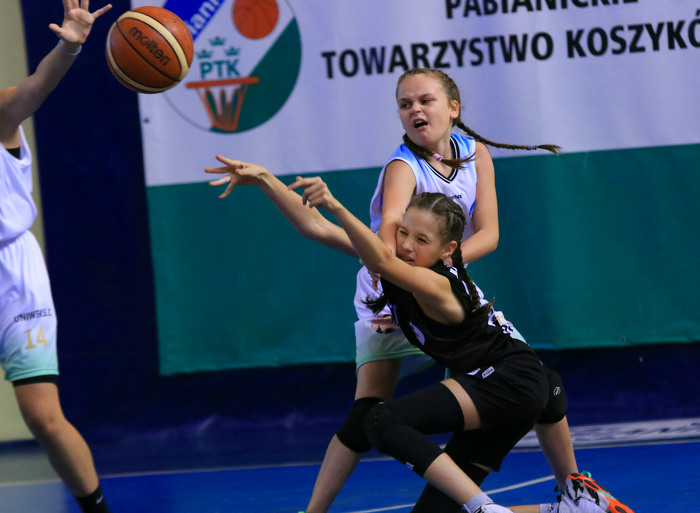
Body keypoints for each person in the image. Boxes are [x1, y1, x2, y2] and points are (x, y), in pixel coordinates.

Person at [205, 159, 634, 513]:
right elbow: (314, 227)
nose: (407, 245)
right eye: (403, 232)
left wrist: (335, 203)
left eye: (422, 239)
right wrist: (265, 179)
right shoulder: (402, 262)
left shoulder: (438, 283)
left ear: (449, 250)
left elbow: (380, 260)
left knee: (382, 421)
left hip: (504, 383)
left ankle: (486, 508)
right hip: (513, 391)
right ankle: (568, 511)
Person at [0, 2, 113, 512]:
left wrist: (69, 45)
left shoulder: (0, 111)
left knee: (43, 417)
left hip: (14, 274)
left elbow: (36, 88)